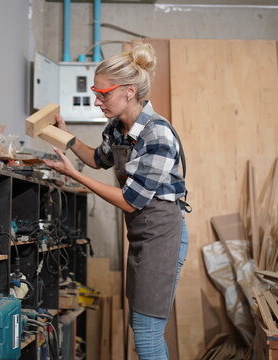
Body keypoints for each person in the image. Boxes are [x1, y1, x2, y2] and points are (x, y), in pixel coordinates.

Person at [43, 43, 189, 360]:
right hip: (141, 234)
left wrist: (74, 174)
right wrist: (66, 137)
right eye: (96, 92)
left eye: (103, 93)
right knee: (143, 329)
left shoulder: (157, 135)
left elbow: (131, 202)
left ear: (128, 91)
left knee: (148, 335)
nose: (97, 100)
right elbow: (97, 160)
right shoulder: (118, 130)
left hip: (163, 234)